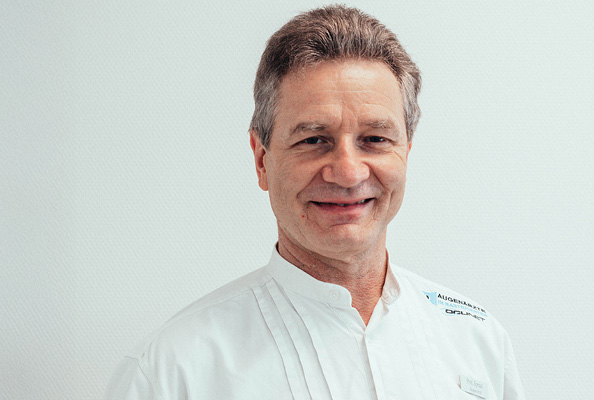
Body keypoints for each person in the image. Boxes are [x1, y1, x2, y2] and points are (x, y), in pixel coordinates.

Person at [104, 5, 525, 399]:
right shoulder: (172, 371)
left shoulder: (478, 342)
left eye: (375, 139)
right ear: (262, 159)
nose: (348, 172)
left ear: (406, 153)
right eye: (313, 140)